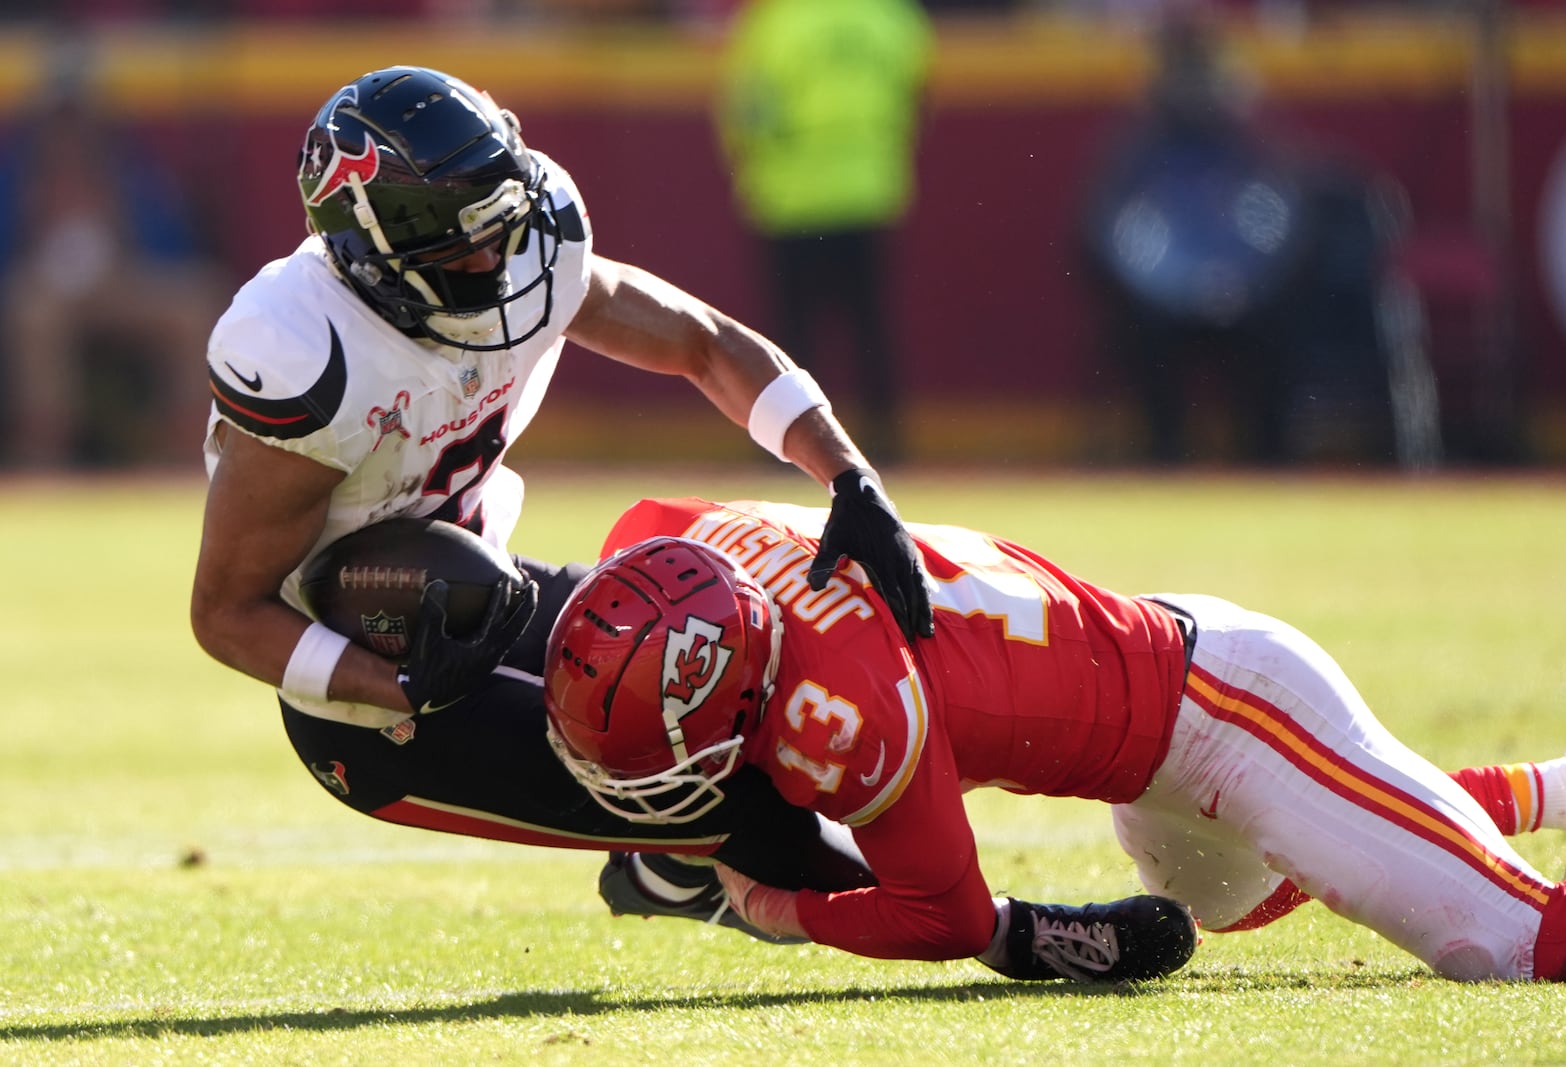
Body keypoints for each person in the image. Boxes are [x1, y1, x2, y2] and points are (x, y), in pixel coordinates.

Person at [188, 66, 935, 939]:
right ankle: (995, 929)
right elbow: (226, 611)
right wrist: (391, 684)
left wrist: (849, 476)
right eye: (461, 239)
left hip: (482, 588)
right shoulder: (309, 351)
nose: (498, 258)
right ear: (376, 246)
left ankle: (664, 870)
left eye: (501, 224)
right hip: (366, 694)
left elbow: (703, 345)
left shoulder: (527, 249)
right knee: (742, 807)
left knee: (756, 668)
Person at [543, 495, 1566, 981]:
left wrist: (773, 902)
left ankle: (1477, 824)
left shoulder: (852, 710)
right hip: (1154, 729)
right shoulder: (668, 542)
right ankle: (1556, 789)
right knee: (1251, 892)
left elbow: (948, 915)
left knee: (1511, 947)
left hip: (1234, 711)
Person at [715, 0, 932, 462]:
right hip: (869, 192)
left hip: (789, 197)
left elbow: (748, 110)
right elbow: (914, 99)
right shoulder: (893, 18)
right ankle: (885, 443)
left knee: (788, 340)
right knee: (870, 330)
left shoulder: (775, 22)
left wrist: (751, 168)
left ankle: (786, 449)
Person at [0, 64, 226, 469]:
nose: (69, 131)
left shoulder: (129, 173)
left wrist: (121, 247)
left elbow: (171, 244)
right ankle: (46, 459)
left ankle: (187, 454)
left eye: (78, 118)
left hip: (119, 284)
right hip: (43, 291)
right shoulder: (16, 175)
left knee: (193, 303)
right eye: (59, 119)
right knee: (36, 314)